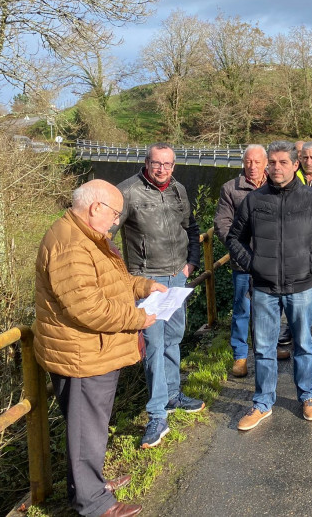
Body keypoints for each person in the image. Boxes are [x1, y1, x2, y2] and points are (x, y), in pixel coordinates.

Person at [35, 180, 163, 517]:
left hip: (91, 350)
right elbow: (88, 308)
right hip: (82, 354)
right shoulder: (72, 246)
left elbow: (112, 283)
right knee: (86, 428)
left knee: (87, 425)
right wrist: (138, 318)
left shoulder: (86, 236)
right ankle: (94, 504)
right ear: (96, 208)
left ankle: (88, 485)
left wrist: (144, 285)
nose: (116, 221)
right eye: (115, 214)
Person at [227, 141, 312, 430]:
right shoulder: (254, 200)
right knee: (264, 348)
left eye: (282, 162)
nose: (276, 167)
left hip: (301, 285)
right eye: (272, 163)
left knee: (304, 344)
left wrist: (311, 263)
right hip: (264, 287)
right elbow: (234, 238)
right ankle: (262, 403)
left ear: (295, 165)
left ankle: (307, 395)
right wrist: (253, 264)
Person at [117, 143, 203, 450]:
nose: (162, 169)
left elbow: (191, 228)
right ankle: (156, 414)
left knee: (173, 338)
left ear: (174, 166)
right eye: (157, 163)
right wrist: (126, 278)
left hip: (176, 276)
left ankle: (172, 395)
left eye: (167, 164)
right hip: (147, 280)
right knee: (153, 345)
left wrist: (191, 264)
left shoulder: (178, 190)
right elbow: (107, 236)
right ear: (146, 162)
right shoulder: (127, 191)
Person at [214, 144, 291, 380]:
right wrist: (241, 253)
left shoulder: (276, 186)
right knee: (242, 310)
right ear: (243, 163)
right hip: (244, 263)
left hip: (272, 262)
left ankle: (268, 346)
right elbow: (222, 224)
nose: (253, 166)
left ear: (266, 163)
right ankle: (240, 356)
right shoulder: (231, 189)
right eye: (249, 161)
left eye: (258, 162)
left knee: (271, 308)